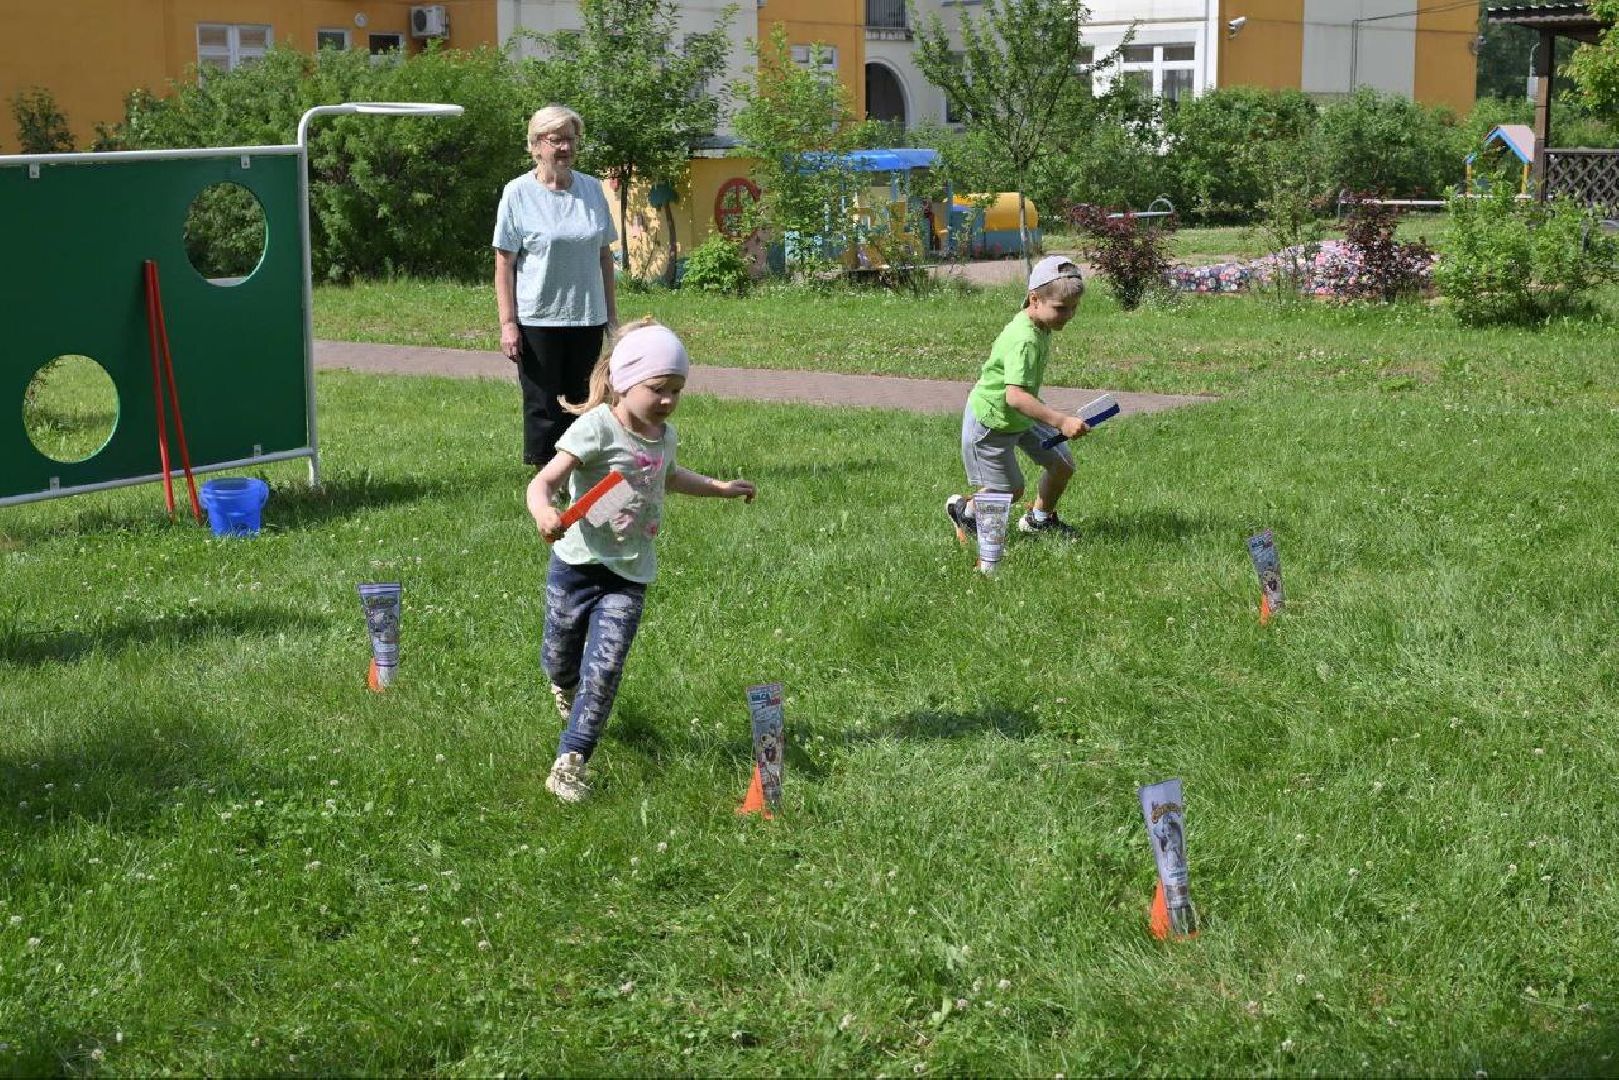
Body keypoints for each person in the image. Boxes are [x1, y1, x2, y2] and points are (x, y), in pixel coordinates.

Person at [526, 319, 757, 803]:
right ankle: (564, 685)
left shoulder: (663, 435)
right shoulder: (595, 429)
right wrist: (546, 512)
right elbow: (541, 482)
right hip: (576, 566)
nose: (669, 400)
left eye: (677, 389)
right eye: (659, 388)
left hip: (628, 573)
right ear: (624, 381)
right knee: (559, 658)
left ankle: (570, 762)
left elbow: (667, 477)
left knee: (605, 668)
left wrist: (718, 488)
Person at [493, 104, 619, 469]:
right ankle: (545, 477)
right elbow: (505, 262)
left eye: (571, 139)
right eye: (556, 139)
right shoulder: (517, 193)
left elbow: (603, 256)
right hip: (538, 318)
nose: (565, 147)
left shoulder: (592, 189)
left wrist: (611, 317)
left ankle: (580, 470)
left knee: (585, 399)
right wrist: (508, 323)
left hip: (586, 316)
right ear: (536, 145)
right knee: (543, 403)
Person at [945, 255, 1090, 550]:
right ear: (1034, 299)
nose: (1069, 316)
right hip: (993, 421)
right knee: (1009, 490)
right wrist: (1061, 421)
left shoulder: (1040, 325)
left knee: (1062, 464)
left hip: (1022, 414)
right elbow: (1014, 396)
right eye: (1061, 309)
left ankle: (1039, 520)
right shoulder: (1024, 339)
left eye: (1074, 308)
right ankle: (965, 511)